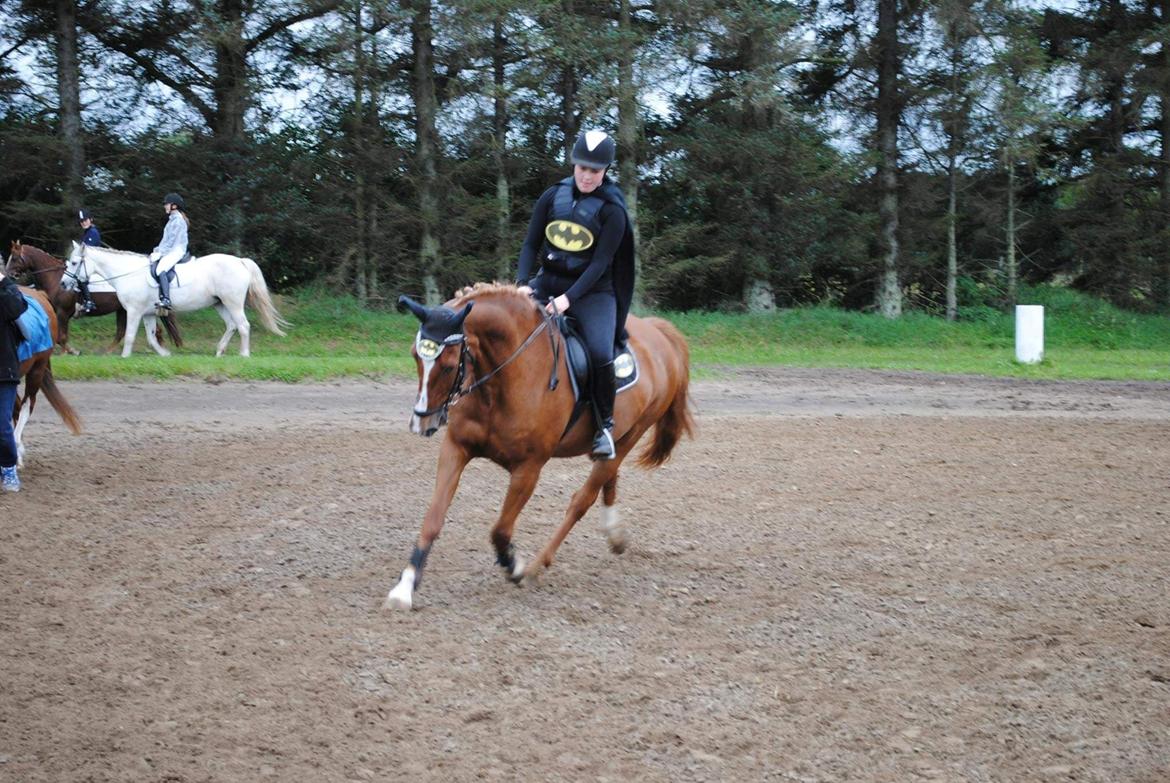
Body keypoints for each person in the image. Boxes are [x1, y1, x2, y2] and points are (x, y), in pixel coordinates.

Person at [515, 129, 636, 460]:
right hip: (548, 280)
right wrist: (523, 282)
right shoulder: (552, 197)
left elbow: (600, 265)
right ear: (574, 165)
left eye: (594, 170)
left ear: (606, 171)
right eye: (582, 168)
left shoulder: (612, 211)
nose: (587, 175)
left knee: (599, 352)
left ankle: (604, 428)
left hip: (593, 293)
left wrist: (568, 300)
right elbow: (530, 243)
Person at [0, 266, 29, 492]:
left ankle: (8, 467)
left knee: (2, 425)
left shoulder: (7, 293)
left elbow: (17, 307)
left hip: (4, 371)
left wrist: (1, 280)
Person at [150, 192, 189, 313]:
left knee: (160, 269)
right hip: (170, 250)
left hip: (177, 250)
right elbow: (165, 240)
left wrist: (160, 253)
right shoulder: (171, 220)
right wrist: (157, 250)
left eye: (167, 204)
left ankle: (166, 299)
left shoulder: (177, 221)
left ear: (174, 206)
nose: (165, 206)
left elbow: (171, 241)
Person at [75, 208, 102, 315]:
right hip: (87, 261)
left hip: (93, 262)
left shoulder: (93, 232)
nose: (83, 223)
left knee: (81, 277)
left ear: (91, 219)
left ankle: (89, 301)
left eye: (85, 220)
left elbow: (89, 250)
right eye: (81, 221)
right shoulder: (87, 233)